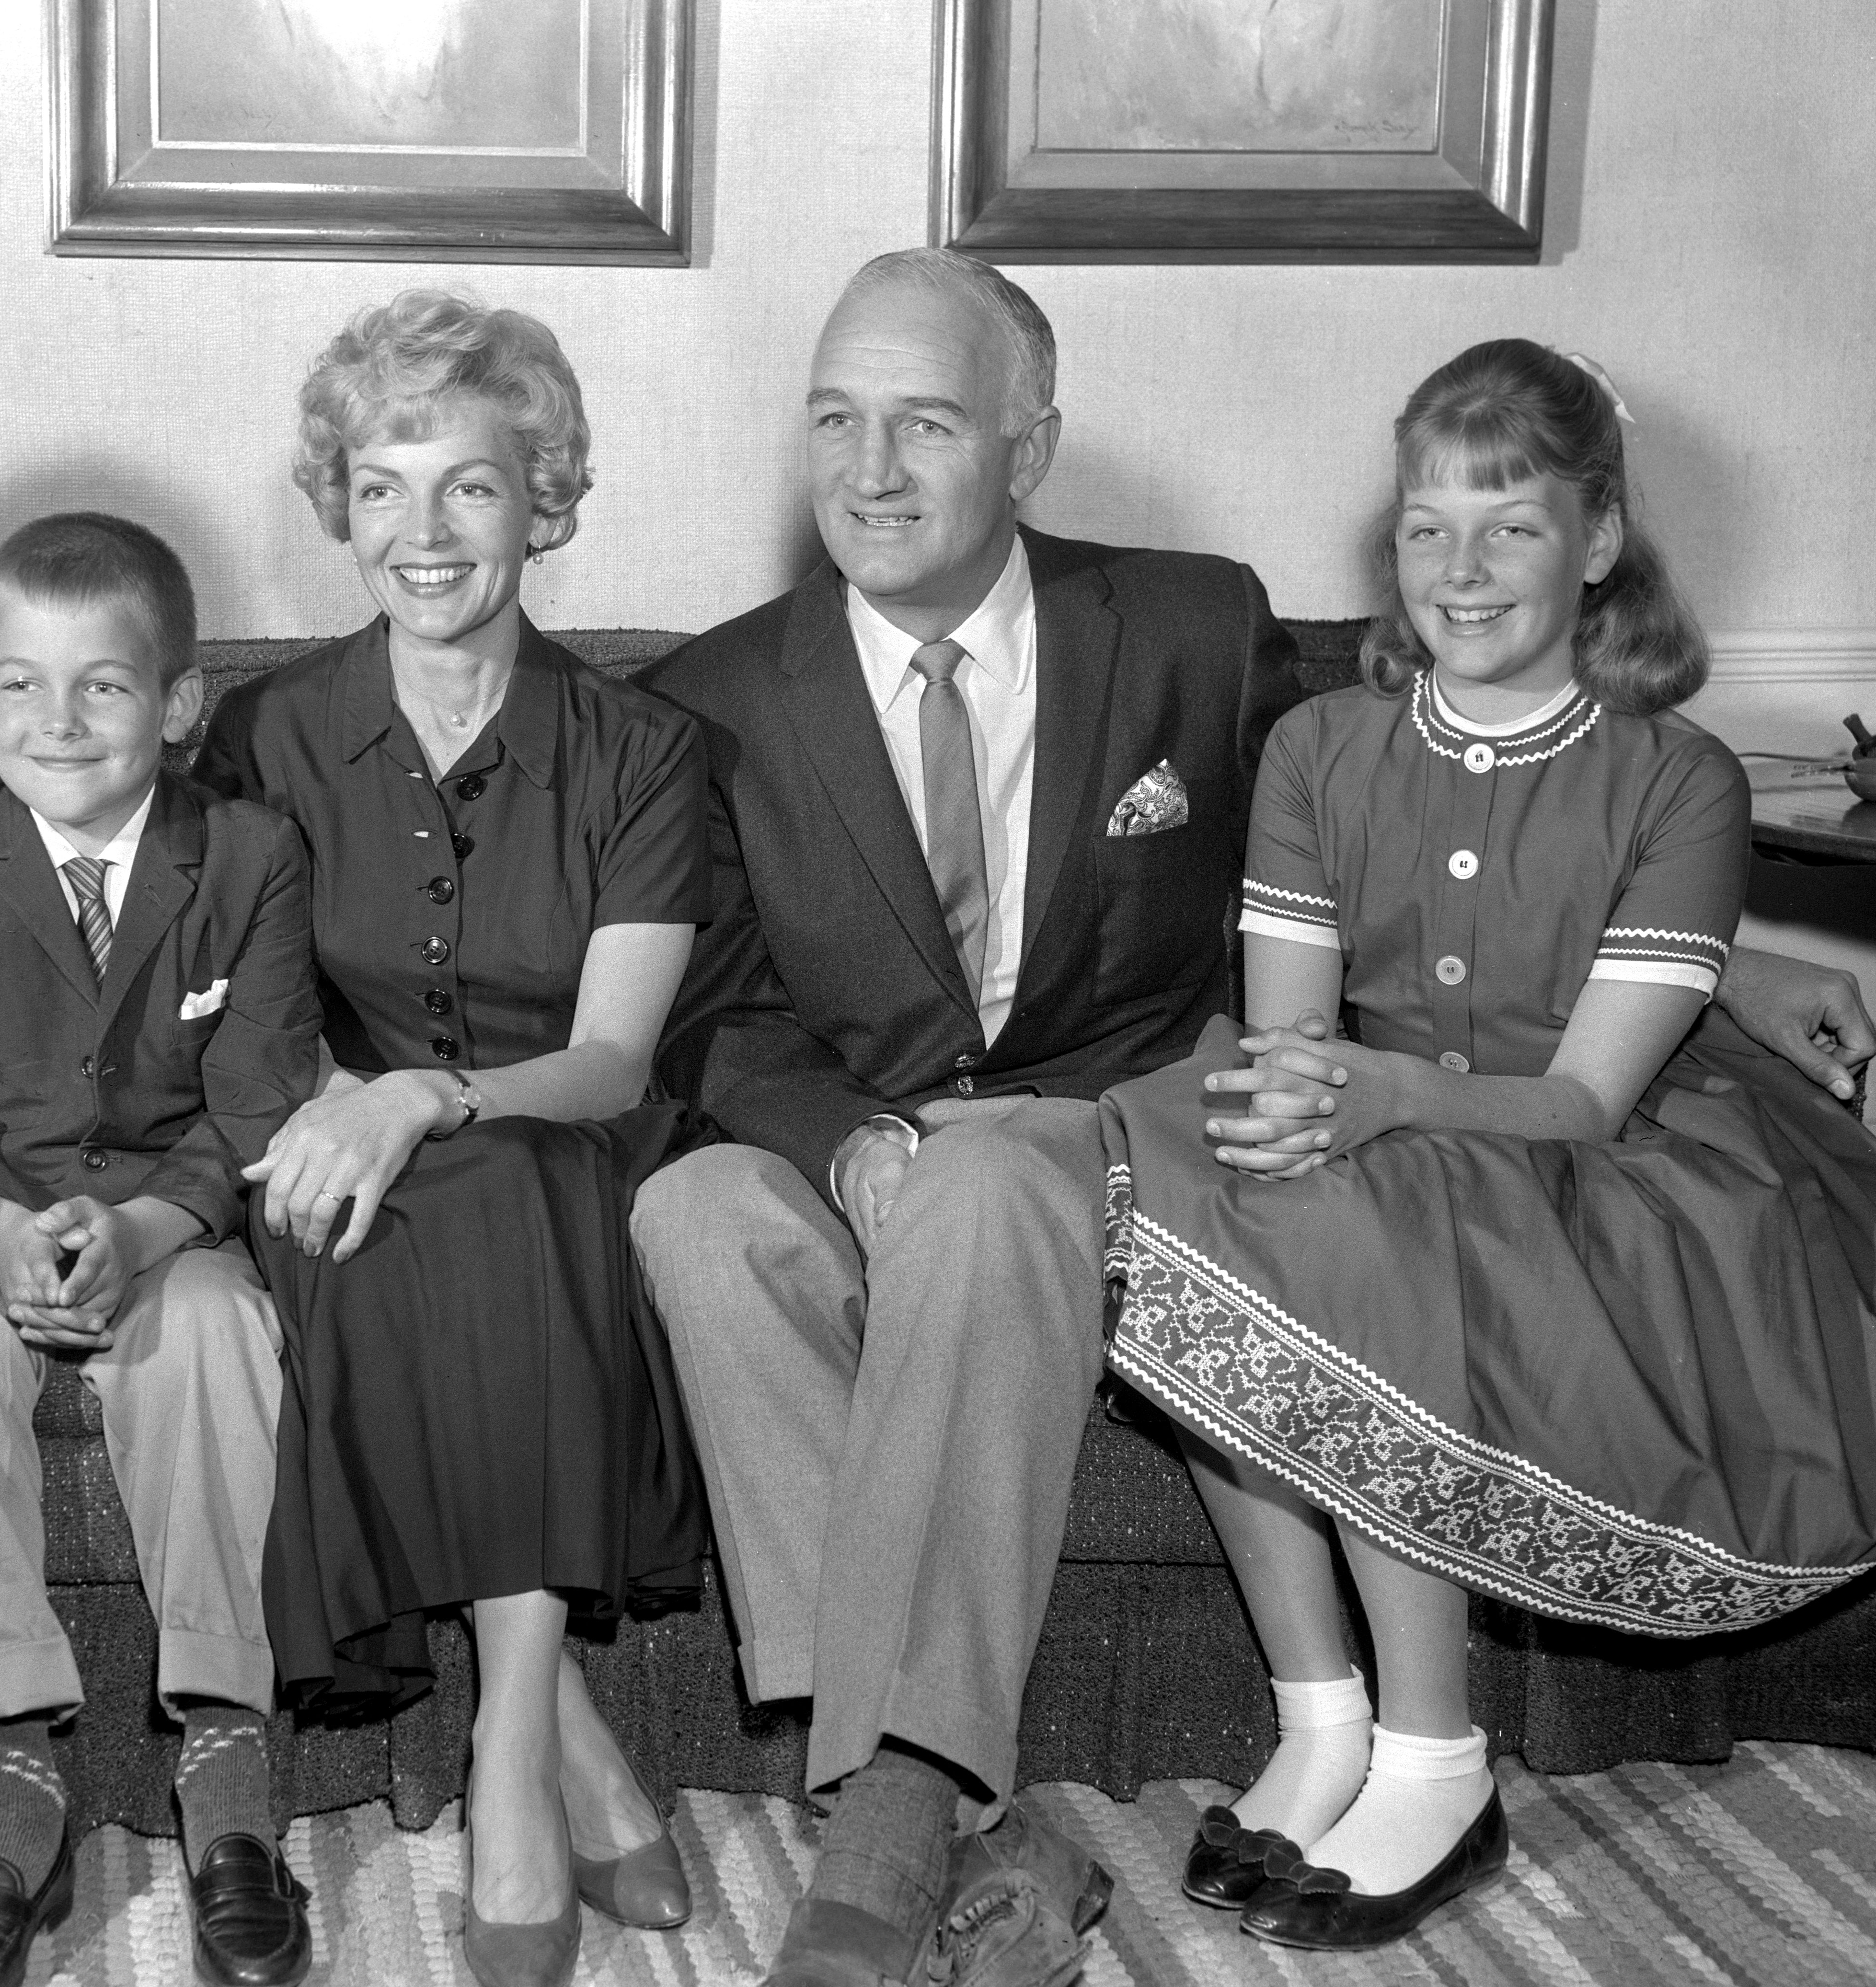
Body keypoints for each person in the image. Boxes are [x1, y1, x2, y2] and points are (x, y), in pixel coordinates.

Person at [630, 251, 1876, 1987]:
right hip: (863, 1133)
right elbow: (720, 1010)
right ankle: (978, 1830)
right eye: (835, 418)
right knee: (691, 1218)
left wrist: (1703, 968)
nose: (870, 469)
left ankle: (893, 1823)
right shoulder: (707, 695)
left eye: (926, 421)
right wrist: (844, 1132)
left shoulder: (1198, 628)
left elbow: (1439, 824)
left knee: (992, 1182)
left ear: (1031, 445)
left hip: (1111, 1139)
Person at [1096, 339, 1876, 1951]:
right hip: (1391, 1126)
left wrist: (1368, 1102)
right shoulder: (1319, 750)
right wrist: (1315, 1098)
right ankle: (1319, 1716)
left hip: (1614, 1174)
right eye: (1427, 526)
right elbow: (1298, 1037)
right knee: (1193, 1159)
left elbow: (1584, 1104)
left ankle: (1433, 1754)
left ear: (1598, 543)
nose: (1461, 570)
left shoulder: (1682, 779)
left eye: (1509, 526)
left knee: (1382, 1206)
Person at [193, 289, 710, 1987]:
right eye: (385, 487)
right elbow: (253, 1033)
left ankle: (502, 1746)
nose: (426, 532)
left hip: (555, 1143)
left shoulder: (642, 750)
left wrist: (430, 1092)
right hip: (334, 1163)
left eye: (471, 487)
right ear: (340, 506)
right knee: (390, 1217)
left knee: (507, 1187)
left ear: (541, 501)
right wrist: (350, 1121)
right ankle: (559, 1724)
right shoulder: (268, 737)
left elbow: (617, 1060)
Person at [0, 512, 321, 1987]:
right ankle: (16, 1789)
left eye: (105, 687)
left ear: (181, 705)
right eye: (18, 685)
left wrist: (141, 1225)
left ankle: (230, 1770)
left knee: (211, 1335)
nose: (56, 723)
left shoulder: (249, 856)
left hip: (172, 1220)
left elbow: (256, 1095)